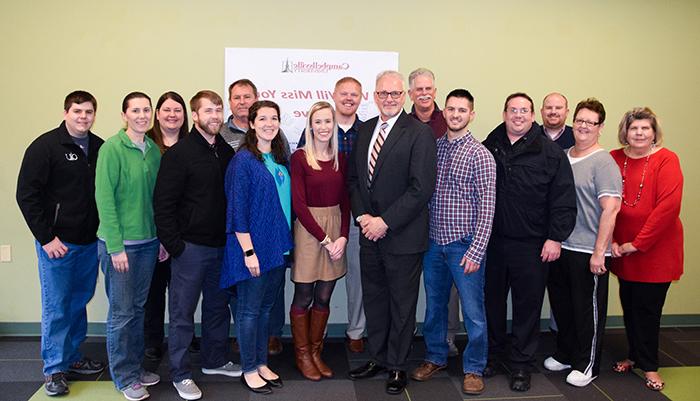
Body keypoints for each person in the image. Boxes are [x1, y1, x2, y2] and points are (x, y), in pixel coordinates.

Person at [347, 70, 437, 395]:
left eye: (395, 94)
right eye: (383, 94)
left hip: (402, 236)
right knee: (375, 301)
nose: (389, 99)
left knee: (402, 305)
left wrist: (384, 221)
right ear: (374, 96)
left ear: (406, 96)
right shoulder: (366, 129)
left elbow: (421, 188)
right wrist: (363, 218)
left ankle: (398, 365)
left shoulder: (419, 133)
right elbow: (355, 181)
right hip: (369, 235)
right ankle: (379, 357)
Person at [482, 92, 576, 392]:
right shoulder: (489, 147)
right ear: (504, 113)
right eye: (513, 110)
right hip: (494, 242)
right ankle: (495, 354)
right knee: (492, 302)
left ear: (532, 115)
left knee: (527, 307)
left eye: (524, 110)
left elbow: (563, 200)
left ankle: (521, 364)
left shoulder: (550, 153)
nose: (518, 115)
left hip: (533, 244)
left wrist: (555, 237)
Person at [16, 90, 106, 396]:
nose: (83, 117)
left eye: (89, 112)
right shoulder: (45, 146)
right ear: (66, 112)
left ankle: (72, 358)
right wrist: (46, 238)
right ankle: (54, 369)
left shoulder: (99, 147)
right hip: (58, 243)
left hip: (89, 242)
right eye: (78, 111)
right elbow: (26, 196)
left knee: (78, 301)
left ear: (95, 114)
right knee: (57, 306)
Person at [154, 90, 239, 400]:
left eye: (218, 110)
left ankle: (214, 360)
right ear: (196, 115)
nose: (215, 116)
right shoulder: (179, 154)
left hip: (221, 248)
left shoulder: (226, 153)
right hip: (190, 249)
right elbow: (163, 205)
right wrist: (176, 246)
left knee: (217, 309)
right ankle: (180, 373)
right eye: (208, 111)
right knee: (182, 314)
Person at [411, 89, 495, 395]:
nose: (456, 114)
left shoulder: (481, 154)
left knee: (473, 312)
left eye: (462, 110)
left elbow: (488, 208)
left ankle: (473, 367)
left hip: (465, 247)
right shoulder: (435, 148)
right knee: (435, 308)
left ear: (471, 114)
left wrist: (477, 250)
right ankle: (435, 357)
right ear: (443, 113)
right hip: (433, 245)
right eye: (451, 109)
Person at [544, 98, 621, 387]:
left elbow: (611, 209)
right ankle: (565, 353)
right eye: (580, 120)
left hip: (589, 251)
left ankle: (587, 364)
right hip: (562, 246)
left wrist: (600, 253)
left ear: (600, 128)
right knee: (564, 308)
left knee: (587, 311)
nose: (584, 126)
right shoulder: (562, 155)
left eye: (591, 122)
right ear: (572, 122)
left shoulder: (603, 162)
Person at [220, 100, 293, 395]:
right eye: (262, 118)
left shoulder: (277, 158)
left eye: (273, 118)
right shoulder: (243, 161)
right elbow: (237, 210)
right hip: (254, 249)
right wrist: (248, 252)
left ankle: (262, 363)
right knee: (249, 312)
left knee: (265, 309)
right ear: (251, 124)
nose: (269, 123)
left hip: (278, 247)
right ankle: (248, 368)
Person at [610, 107, 684, 392]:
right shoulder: (614, 158)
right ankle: (635, 355)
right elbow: (606, 202)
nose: (639, 133)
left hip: (655, 250)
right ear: (625, 132)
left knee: (648, 310)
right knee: (630, 306)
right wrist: (614, 242)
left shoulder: (666, 159)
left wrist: (637, 244)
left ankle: (650, 366)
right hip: (622, 249)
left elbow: (668, 208)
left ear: (654, 133)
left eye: (645, 128)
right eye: (634, 128)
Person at [95, 92, 162, 400]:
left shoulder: (153, 150)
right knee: (121, 314)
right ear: (124, 115)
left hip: (148, 243)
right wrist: (115, 246)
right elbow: (104, 199)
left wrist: (160, 238)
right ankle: (123, 377)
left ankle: (135, 368)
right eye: (135, 110)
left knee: (137, 309)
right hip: (120, 246)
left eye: (146, 110)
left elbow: (157, 202)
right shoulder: (112, 148)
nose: (141, 115)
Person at [296, 77, 366, 353]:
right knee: (310, 286)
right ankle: (313, 344)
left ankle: (353, 332)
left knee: (348, 279)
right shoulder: (307, 145)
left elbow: (356, 186)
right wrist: (326, 237)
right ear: (335, 95)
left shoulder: (366, 131)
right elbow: (300, 195)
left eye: (354, 94)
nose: (349, 98)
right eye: (344, 93)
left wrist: (343, 235)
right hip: (313, 224)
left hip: (349, 219)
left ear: (361, 97)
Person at [290, 101, 350, 381]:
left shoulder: (340, 157)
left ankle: (316, 352)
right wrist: (325, 239)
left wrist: (343, 238)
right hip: (309, 231)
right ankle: (302, 354)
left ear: (333, 125)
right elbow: (299, 206)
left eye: (328, 121)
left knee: (324, 295)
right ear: (310, 125)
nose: (324, 127)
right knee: (304, 294)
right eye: (318, 122)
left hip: (335, 231)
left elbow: (347, 203)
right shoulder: (300, 158)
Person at [143, 91, 193, 361]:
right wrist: (163, 234)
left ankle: (184, 336)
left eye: (177, 110)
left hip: (186, 232)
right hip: (152, 230)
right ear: (157, 114)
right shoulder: (147, 144)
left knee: (183, 290)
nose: (172, 115)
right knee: (154, 288)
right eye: (167, 110)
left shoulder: (191, 144)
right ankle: (152, 338)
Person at [408, 68, 447, 140]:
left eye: (428, 88)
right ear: (410, 94)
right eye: (419, 89)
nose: (424, 93)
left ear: (434, 92)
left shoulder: (447, 121)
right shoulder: (404, 123)